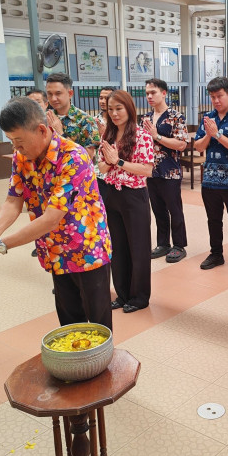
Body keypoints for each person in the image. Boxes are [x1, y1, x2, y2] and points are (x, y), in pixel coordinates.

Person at [0, 97, 113, 330]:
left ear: (41, 130)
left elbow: (51, 218)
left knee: (98, 324)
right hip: (55, 251)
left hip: (86, 250)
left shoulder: (73, 157)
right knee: (70, 323)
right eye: (11, 141)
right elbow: (13, 201)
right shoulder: (22, 157)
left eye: (19, 141)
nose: (16, 148)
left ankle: (104, 355)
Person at [97, 90, 155, 314]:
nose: (114, 113)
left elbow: (147, 170)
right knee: (118, 247)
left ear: (129, 109)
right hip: (112, 194)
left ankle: (139, 297)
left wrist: (118, 161)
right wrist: (110, 161)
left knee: (138, 248)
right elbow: (101, 167)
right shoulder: (108, 136)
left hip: (134, 196)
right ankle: (122, 294)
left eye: (118, 109)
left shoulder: (141, 136)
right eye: (110, 109)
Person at [194, 76, 228, 277]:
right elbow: (198, 146)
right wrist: (209, 134)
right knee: (213, 220)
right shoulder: (208, 118)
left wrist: (217, 135)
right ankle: (216, 254)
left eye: (219, 96)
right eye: (212, 97)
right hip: (210, 179)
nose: (216, 101)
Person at [143, 78, 189, 263]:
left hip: (170, 171)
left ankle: (179, 245)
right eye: (147, 93)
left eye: (153, 92)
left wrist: (157, 136)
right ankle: (163, 243)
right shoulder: (146, 118)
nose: (149, 96)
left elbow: (181, 144)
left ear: (163, 93)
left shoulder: (176, 116)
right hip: (151, 171)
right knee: (158, 209)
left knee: (174, 209)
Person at [45, 72, 100, 160]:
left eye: (58, 93)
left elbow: (88, 156)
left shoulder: (85, 120)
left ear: (70, 93)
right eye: (49, 94)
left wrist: (61, 133)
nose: (53, 98)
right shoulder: (45, 118)